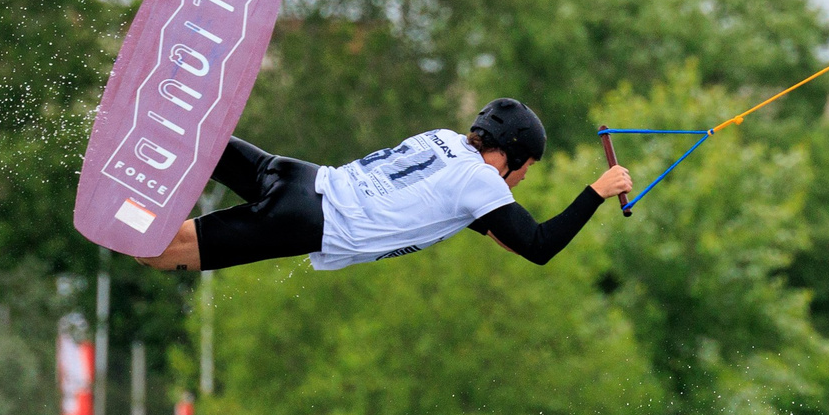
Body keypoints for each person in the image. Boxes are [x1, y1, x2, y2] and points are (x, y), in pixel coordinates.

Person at [137, 98, 632, 273]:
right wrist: (597, 190)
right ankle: (122, 214)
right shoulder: (481, 182)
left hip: (293, 175)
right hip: (304, 220)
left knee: (199, 143)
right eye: (526, 167)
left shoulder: (443, 142)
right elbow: (538, 246)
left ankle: (146, 126)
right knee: (153, 253)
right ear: (511, 153)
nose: (523, 178)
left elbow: (498, 232)